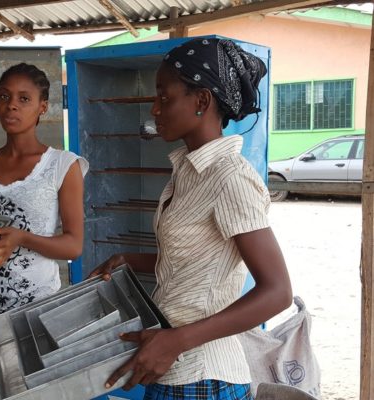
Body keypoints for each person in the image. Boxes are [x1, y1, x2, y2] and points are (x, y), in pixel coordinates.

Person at [90, 38, 292, 400]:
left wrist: (177, 340)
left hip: (203, 379)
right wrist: (128, 260)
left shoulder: (230, 177)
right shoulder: (188, 169)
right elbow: (196, 264)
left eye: (164, 97)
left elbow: (277, 292)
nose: (154, 109)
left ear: (201, 101)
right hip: (174, 368)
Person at [0, 63, 88, 400]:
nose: (11, 105)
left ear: (43, 106)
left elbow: (73, 246)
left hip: (35, 311)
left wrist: (22, 238)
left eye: (24, 98)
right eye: (5, 96)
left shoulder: (62, 165)